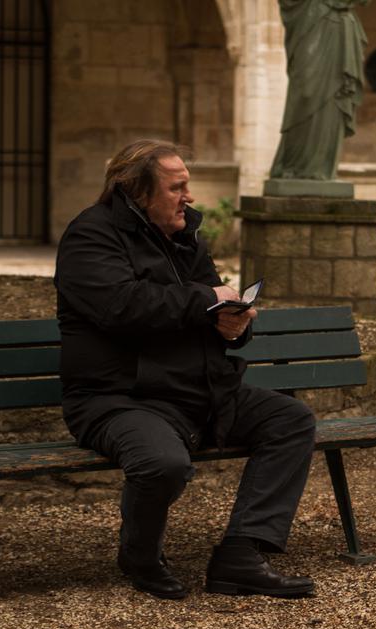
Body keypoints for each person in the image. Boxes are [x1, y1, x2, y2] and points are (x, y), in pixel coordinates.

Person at [54, 140, 317, 600]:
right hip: (119, 397)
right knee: (162, 463)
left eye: (186, 187)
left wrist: (235, 326)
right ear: (137, 192)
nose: (188, 198)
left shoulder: (185, 236)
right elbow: (122, 306)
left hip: (199, 390)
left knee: (290, 420)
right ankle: (140, 556)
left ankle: (240, 554)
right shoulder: (89, 236)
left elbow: (210, 306)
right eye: (177, 188)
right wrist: (208, 301)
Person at [269, 0, 369, 181]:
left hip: (340, 28)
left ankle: (321, 168)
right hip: (310, 22)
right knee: (306, 93)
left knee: (335, 98)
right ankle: (293, 164)